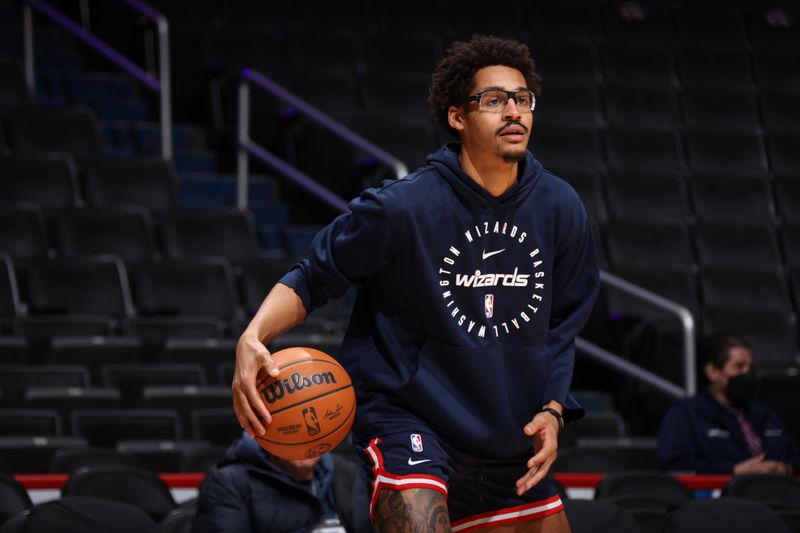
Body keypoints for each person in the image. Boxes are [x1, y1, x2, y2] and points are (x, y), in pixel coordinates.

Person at [233, 34, 599, 532]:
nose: (513, 111)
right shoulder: (402, 207)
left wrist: (554, 410)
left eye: (521, 99)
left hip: (509, 437)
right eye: (493, 100)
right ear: (456, 116)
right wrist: (254, 337)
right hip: (412, 424)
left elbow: (562, 325)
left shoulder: (561, 207)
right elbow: (314, 275)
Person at [657, 334, 800, 475]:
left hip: (772, 492)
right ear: (712, 371)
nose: (747, 374)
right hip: (719, 494)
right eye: (739, 366)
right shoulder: (686, 414)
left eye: (750, 367)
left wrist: (784, 468)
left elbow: (793, 454)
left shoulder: (762, 412)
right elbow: (674, 465)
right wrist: (732, 471)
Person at [192, 434, 373, 532]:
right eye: (292, 429)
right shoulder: (227, 483)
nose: (303, 439)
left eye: (310, 429)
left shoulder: (348, 471)